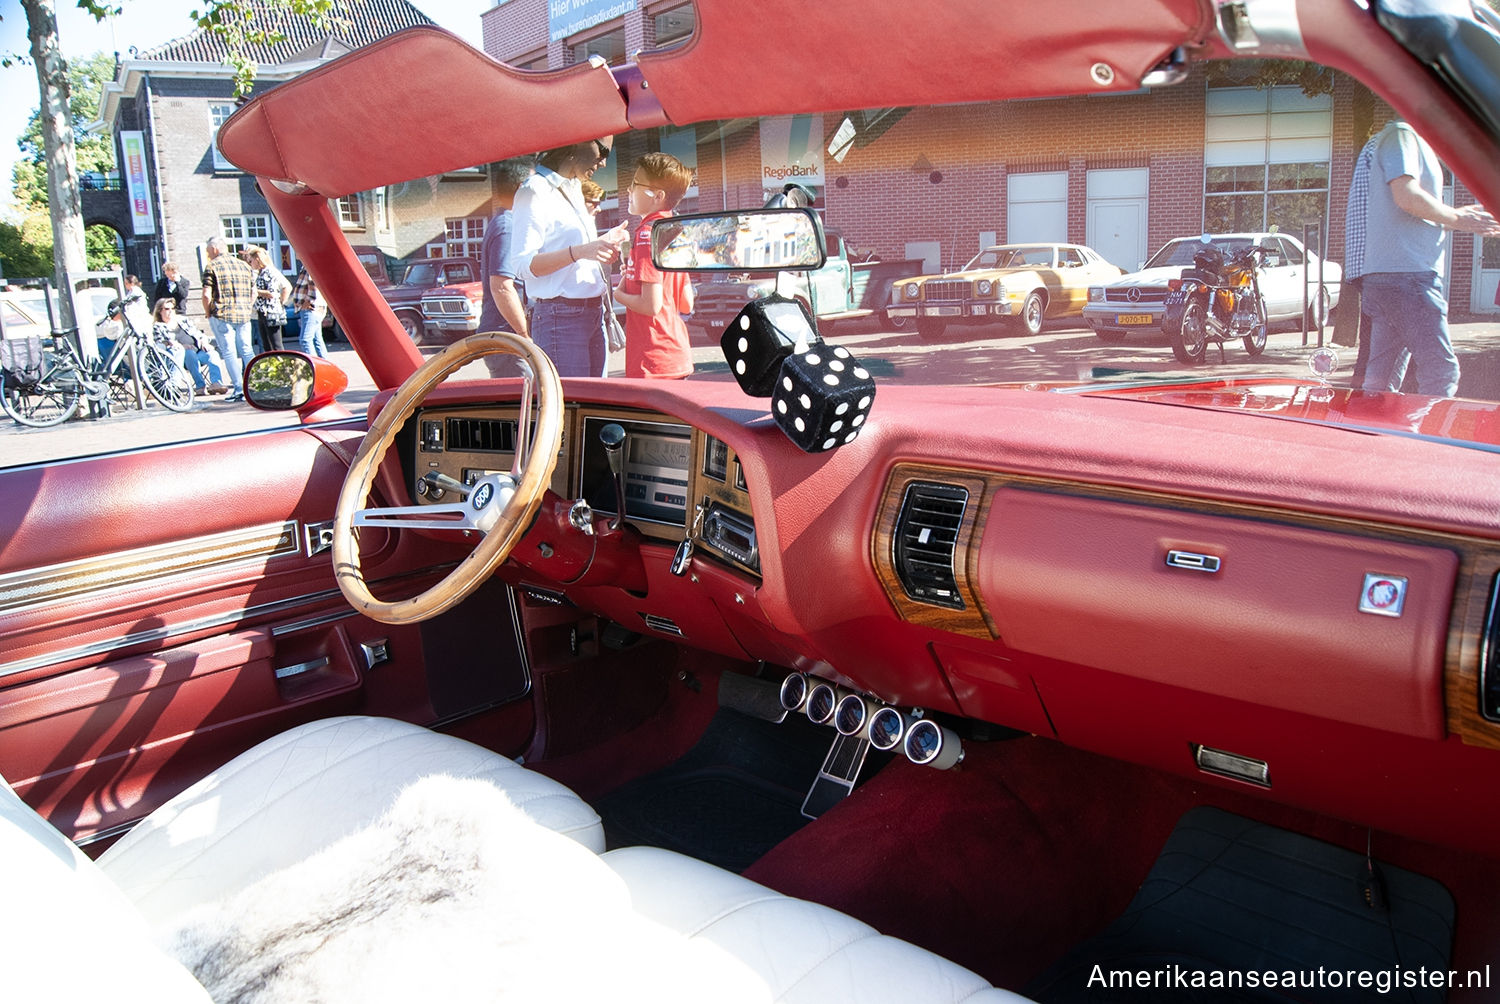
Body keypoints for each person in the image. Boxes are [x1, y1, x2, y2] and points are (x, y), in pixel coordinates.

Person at [1346, 118, 1500, 398]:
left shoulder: (1398, 139)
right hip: (1409, 277)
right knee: (1441, 371)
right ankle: (1429, 442)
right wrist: (1458, 218)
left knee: (1382, 383)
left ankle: (1376, 436)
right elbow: (1405, 195)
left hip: (1389, 278)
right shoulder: (1402, 134)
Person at [507, 137, 629, 377]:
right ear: (578, 142)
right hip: (560, 319)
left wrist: (601, 242)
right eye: (602, 151)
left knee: (593, 405)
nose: (604, 163)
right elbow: (523, 265)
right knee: (571, 405)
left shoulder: (572, 187)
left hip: (592, 314)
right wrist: (580, 251)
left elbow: (571, 251)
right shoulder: (534, 191)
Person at [614, 152, 696, 379]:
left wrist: (619, 295)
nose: (629, 191)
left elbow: (651, 305)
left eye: (635, 184)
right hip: (676, 355)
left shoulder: (645, 233)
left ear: (657, 195)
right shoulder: (676, 231)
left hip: (651, 360)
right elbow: (686, 303)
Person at [477, 160, 535, 377]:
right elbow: (502, 287)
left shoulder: (504, 222)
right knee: (521, 405)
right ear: (521, 189)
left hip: (506, 336)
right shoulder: (508, 227)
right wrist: (524, 335)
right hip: (508, 338)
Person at [201, 235, 257, 401]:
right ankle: (255, 385)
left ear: (215, 249)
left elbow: (206, 294)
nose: (208, 253)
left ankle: (239, 388)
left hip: (222, 313)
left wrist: (208, 311)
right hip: (243, 314)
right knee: (247, 350)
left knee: (229, 352)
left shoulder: (212, 266)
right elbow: (253, 291)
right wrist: (248, 306)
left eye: (209, 250)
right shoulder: (244, 266)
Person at [152, 297, 227, 395]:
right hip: (179, 357)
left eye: (172, 308)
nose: (170, 311)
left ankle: (216, 383)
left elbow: (199, 334)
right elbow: (160, 343)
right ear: (159, 311)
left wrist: (204, 342)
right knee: (189, 353)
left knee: (213, 354)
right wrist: (181, 346)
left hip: (198, 351)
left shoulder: (183, 321)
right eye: (167, 309)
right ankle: (200, 385)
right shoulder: (158, 326)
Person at [245, 246, 291, 353]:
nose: (250, 264)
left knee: (276, 345)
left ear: (257, 259)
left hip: (271, 312)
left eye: (251, 261)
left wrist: (255, 291)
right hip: (262, 312)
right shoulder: (261, 272)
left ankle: (282, 367)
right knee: (267, 346)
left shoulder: (269, 271)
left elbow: (272, 293)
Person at [290, 264, 328, 358]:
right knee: (317, 339)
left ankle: (316, 366)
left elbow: (313, 283)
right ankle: (326, 365)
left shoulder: (309, 265)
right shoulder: (306, 265)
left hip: (311, 308)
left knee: (305, 340)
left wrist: (309, 300)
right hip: (315, 306)